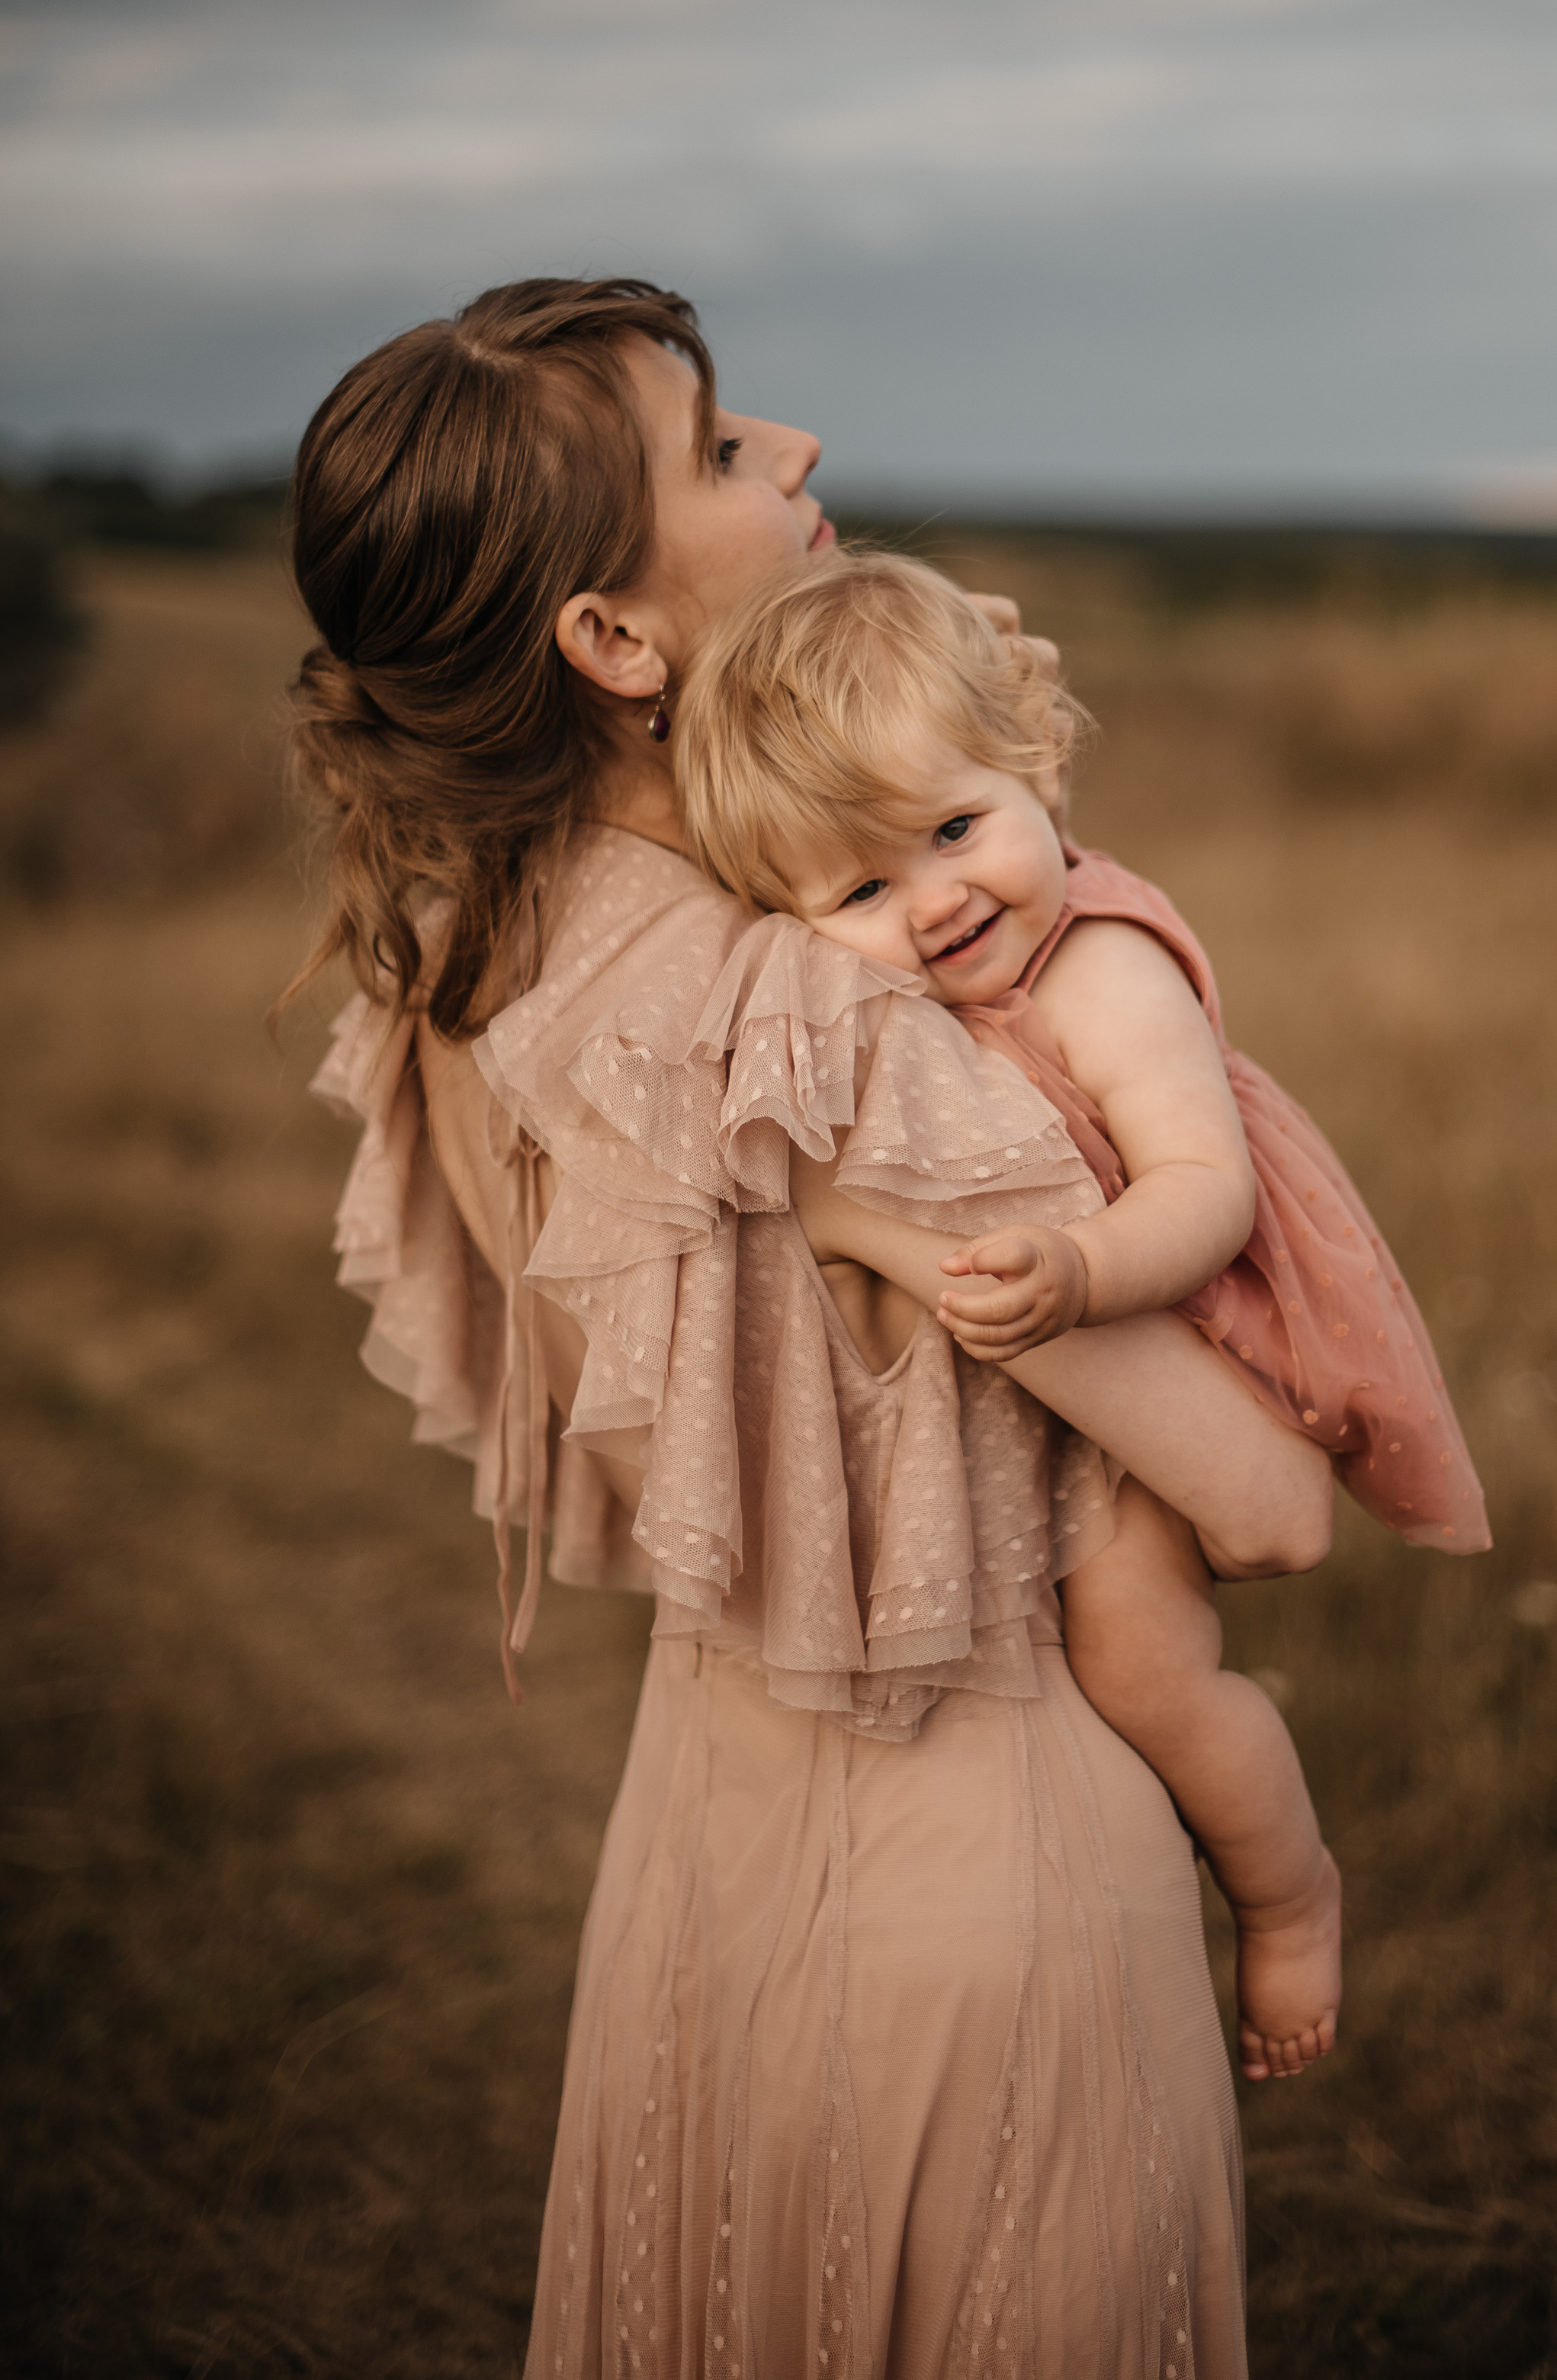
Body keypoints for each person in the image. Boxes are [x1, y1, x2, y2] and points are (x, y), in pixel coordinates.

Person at [288, 275, 1382, 2378]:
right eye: (712, 449)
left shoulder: (471, 938)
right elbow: (1268, 1512)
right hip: (992, 1861)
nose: (788, 452)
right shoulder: (791, 1022)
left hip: (706, 1846)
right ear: (609, 642)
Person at [666, 546, 1488, 2087]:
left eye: (956, 829)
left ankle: (1286, 1897)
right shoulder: (931, 968)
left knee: (1147, 1674)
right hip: (1082, 1366)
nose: (931, 904)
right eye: (857, 890)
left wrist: (1077, 1273)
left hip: (1197, 1321)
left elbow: (1203, 1190)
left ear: (1035, 770)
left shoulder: (1100, 969)